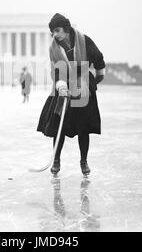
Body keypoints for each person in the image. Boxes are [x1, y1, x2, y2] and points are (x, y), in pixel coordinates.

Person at [37, 13, 105, 175]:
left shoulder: (84, 40)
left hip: (83, 85)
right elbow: (56, 69)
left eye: (57, 30)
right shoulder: (53, 48)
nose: (55, 35)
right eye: (52, 32)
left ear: (66, 29)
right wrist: (61, 85)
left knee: (84, 126)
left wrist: (97, 77)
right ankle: (56, 160)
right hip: (63, 86)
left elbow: (98, 58)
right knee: (58, 126)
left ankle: (84, 161)